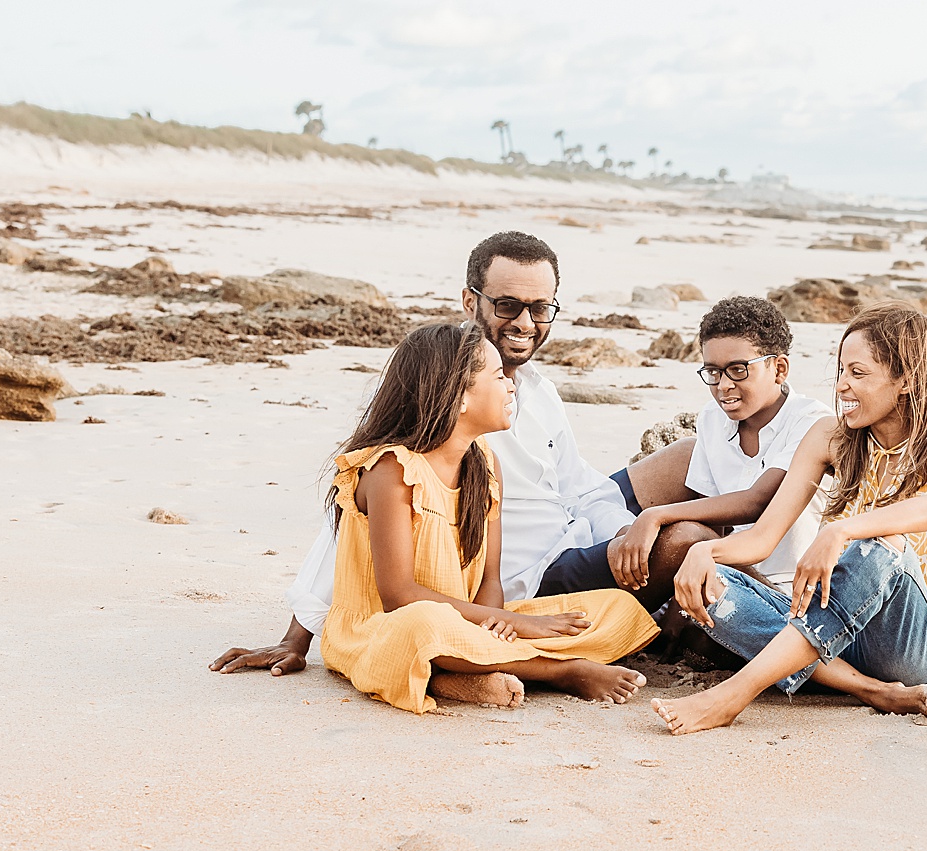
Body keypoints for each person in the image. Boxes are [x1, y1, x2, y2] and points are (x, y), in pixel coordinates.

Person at [210, 231, 713, 684]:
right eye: (509, 305)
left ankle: (687, 604)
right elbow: (349, 520)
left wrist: (630, 527)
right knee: (687, 542)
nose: (525, 323)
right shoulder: (436, 392)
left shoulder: (536, 391)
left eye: (540, 308)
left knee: (690, 457)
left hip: (569, 529)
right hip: (534, 571)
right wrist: (297, 636)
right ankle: (676, 621)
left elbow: (577, 487)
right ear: (471, 300)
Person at [651, 302, 927, 735]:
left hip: (909, 648)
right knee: (716, 583)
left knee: (878, 546)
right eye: (841, 370)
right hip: (833, 635)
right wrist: (704, 550)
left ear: (906, 380)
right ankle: (868, 689)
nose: (841, 386)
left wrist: (841, 531)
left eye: (858, 374)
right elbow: (761, 539)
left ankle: (733, 695)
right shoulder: (828, 438)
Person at [324, 322, 659, 712]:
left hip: (469, 620)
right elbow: (399, 596)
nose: (511, 386)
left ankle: (460, 674)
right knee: (425, 626)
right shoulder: (393, 471)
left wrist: (496, 620)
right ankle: (560, 671)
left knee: (613, 611)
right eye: (499, 376)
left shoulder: (485, 464)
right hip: (385, 629)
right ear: (459, 395)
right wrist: (513, 626)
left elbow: (489, 579)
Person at [606, 296, 831, 599]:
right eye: (713, 372)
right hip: (726, 570)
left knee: (685, 537)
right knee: (643, 545)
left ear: (779, 369)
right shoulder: (712, 419)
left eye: (738, 370)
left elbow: (757, 501)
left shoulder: (812, 422)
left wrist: (654, 515)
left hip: (790, 592)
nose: (723, 385)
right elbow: (711, 520)